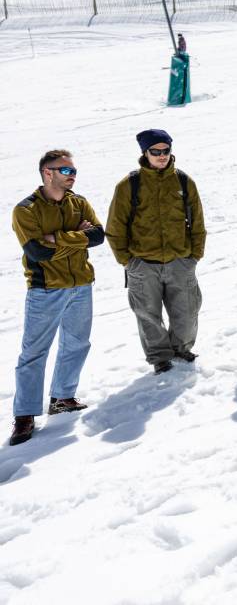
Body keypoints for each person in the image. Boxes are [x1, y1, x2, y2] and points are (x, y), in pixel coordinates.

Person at [9, 150, 104, 445]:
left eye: (73, 169)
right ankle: (25, 415)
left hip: (81, 285)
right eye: (64, 170)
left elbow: (99, 235)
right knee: (35, 352)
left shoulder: (79, 202)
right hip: (45, 288)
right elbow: (37, 252)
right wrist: (77, 237)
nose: (71, 174)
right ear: (47, 172)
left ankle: (62, 397)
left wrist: (58, 238)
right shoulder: (26, 209)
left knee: (77, 343)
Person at [105, 129, 207, 375]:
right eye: (155, 151)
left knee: (188, 309)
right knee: (148, 315)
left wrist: (194, 256)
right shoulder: (129, 184)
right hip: (143, 263)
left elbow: (198, 224)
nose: (161, 156)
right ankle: (160, 357)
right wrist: (128, 261)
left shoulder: (184, 181)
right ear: (145, 153)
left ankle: (181, 347)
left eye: (166, 150)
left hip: (180, 261)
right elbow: (115, 227)